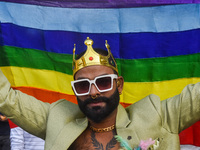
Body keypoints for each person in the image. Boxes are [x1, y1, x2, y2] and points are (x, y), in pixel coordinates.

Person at [0, 37, 200, 150]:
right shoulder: (56, 119)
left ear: (119, 85)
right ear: (75, 91)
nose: (93, 92)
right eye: (83, 85)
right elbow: (6, 98)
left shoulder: (158, 115)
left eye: (103, 82)